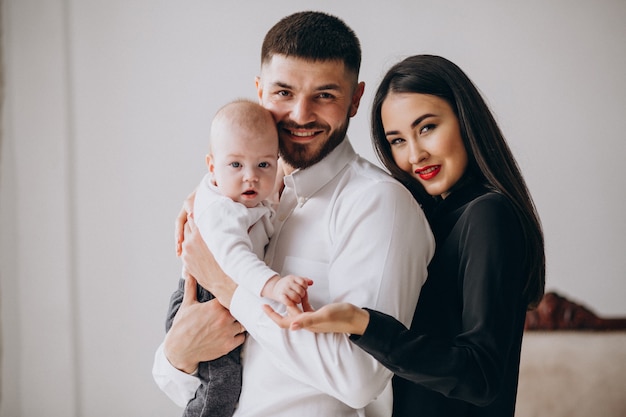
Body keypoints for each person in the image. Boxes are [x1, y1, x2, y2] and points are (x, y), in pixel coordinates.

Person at [152, 11, 435, 417]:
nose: (301, 115)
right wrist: (179, 353)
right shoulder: (235, 195)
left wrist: (231, 289)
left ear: (355, 99)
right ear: (259, 91)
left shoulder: (378, 204)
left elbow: (360, 380)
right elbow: (180, 383)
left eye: (324, 95)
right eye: (283, 93)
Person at [265, 54, 546, 417]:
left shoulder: (488, 214)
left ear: (465, 121)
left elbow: (480, 376)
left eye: (427, 128)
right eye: (397, 140)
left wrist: (364, 323)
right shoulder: (429, 216)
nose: (415, 154)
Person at [167, 99, 312, 417]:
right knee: (221, 386)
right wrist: (273, 285)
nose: (251, 177)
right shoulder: (222, 209)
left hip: (222, 294)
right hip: (203, 299)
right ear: (212, 166)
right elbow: (234, 258)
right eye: (236, 165)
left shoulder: (246, 197)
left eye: (263, 165)